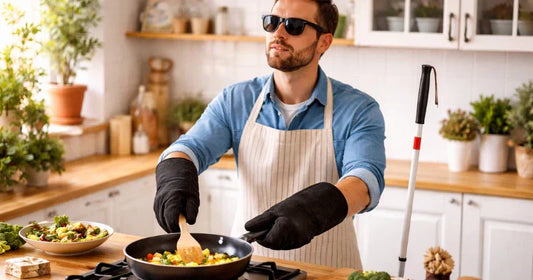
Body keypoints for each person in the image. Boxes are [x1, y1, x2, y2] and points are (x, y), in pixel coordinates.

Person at [154, 0, 386, 269]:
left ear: (324, 42)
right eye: (272, 22)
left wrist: (315, 211)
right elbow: (191, 146)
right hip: (249, 266)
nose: (278, 33)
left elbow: (365, 180)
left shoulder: (358, 109)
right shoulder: (236, 100)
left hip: (329, 269)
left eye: (294, 26)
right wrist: (175, 172)